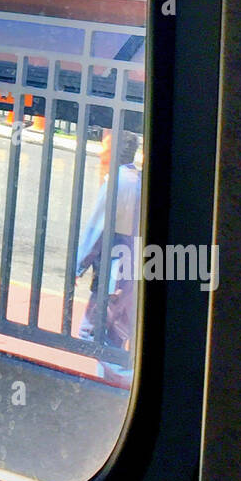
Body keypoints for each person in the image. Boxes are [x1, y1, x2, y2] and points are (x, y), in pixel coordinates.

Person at [76, 131, 141, 351]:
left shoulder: (116, 183)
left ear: (113, 151)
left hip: (113, 275)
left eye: (104, 146)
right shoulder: (138, 180)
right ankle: (115, 377)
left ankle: (113, 380)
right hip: (133, 277)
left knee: (89, 334)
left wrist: (77, 267)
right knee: (116, 338)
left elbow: (96, 231)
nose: (100, 151)